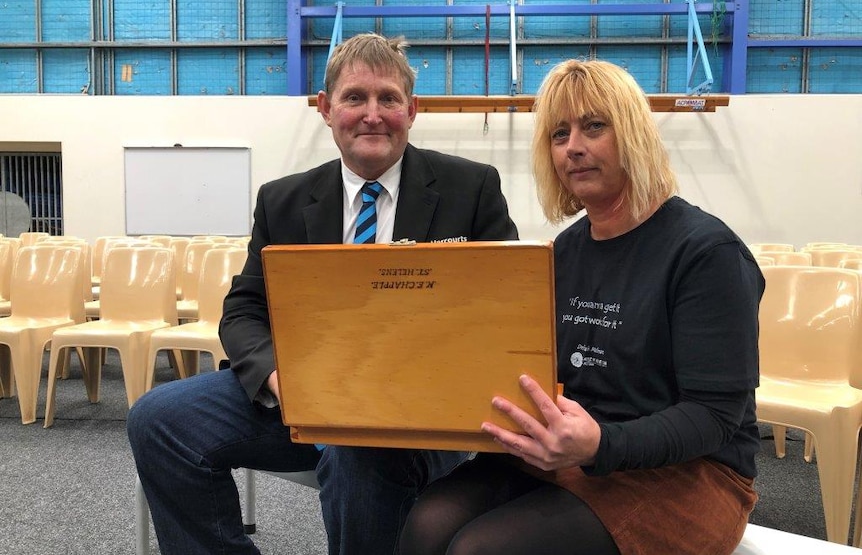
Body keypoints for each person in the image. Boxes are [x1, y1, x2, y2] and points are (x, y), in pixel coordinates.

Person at [127, 32, 518, 555]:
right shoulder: (283, 201)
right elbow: (244, 310)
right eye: (355, 98)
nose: (372, 114)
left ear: (413, 110)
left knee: (359, 453)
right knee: (158, 420)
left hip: (421, 412)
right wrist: (277, 376)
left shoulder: (471, 189)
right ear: (326, 108)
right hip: (303, 394)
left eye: (389, 99)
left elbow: (509, 307)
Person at [398, 59, 764, 555]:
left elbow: (714, 417)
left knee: (481, 550)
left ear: (632, 133)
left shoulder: (705, 253)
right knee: (426, 524)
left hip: (692, 473)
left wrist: (599, 445)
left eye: (594, 126)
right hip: (572, 452)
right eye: (558, 133)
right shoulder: (564, 252)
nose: (573, 147)